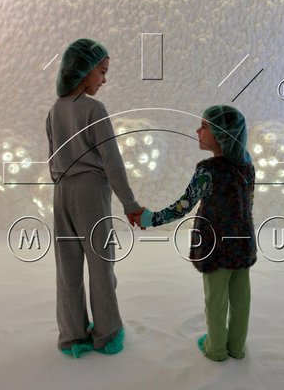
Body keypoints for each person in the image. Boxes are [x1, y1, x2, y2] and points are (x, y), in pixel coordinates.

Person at [46, 38, 143, 358]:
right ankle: (107, 333)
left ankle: (72, 336)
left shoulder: (55, 110)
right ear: (84, 69)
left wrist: (62, 185)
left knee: (67, 266)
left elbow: (52, 158)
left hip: (61, 192)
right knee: (101, 264)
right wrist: (130, 204)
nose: (104, 79)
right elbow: (112, 161)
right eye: (102, 71)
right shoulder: (93, 109)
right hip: (90, 193)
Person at [134, 105, 256, 361]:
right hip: (242, 242)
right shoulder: (247, 166)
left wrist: (150, 218)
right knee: (241, 298)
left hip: (215, 246)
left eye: (204, 126)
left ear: (221, 134)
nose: (197, 131)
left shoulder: (208, 171)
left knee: (215, 299)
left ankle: (216, 349)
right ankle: (236, 347)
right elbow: (249, 204)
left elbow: (183, 206)